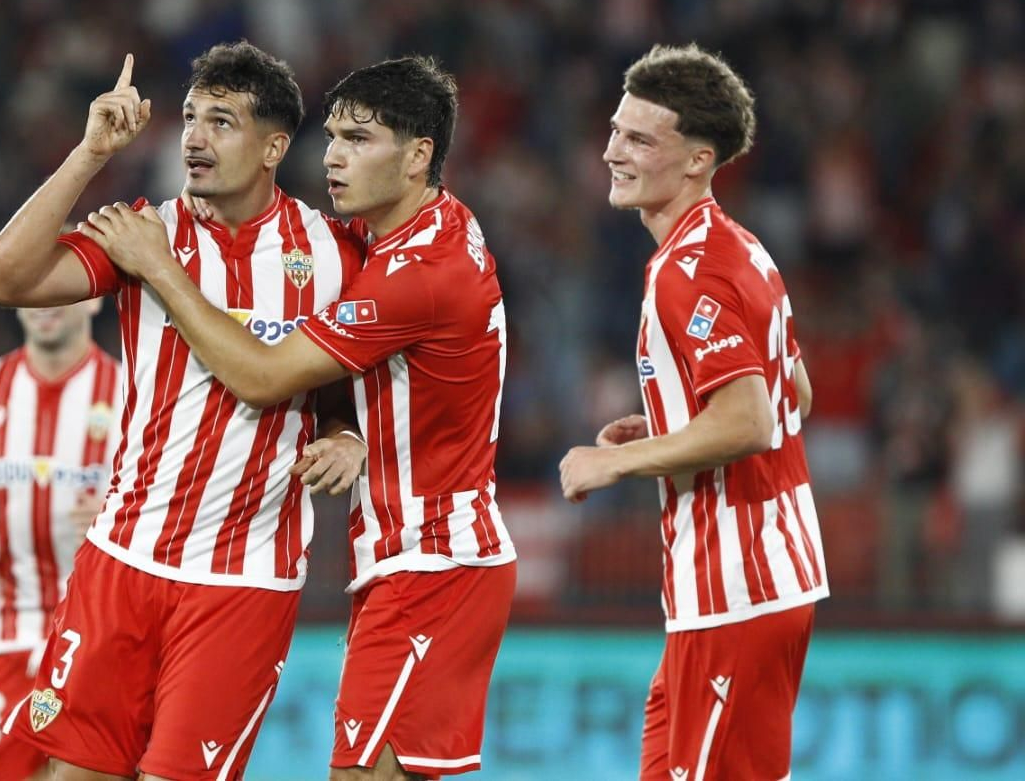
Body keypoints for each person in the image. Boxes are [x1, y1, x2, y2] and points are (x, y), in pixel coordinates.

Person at [81, 56, 517, 781]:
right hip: (417, 559)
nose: (334, 157)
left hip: (434, 561)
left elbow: (262, 377)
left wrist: (160, 268)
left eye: (359, 139)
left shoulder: (418, 274)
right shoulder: (423, 233)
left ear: (418, 158)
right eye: (334, 136)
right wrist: (344, 430)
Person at [0, 43, 366, 781]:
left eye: (221, 122)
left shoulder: (333, 251)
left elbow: (348, 385)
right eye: (189, 118)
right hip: (122, 556)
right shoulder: (145, 231)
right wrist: (90, 155)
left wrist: (349, 437)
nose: (193, 137)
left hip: (241, 583)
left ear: (274, 146)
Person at [558, 43, 829, 780]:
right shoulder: (738, 248)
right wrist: (674, 421)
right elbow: (793, 392)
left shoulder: (690, 272)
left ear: (696, 161)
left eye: (640, 139)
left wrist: (615, 460)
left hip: (737, 586)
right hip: (735, 589)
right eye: (616, 130)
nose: (613, 152)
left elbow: (749, 421)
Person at [0, 301, 119, 781]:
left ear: (94, 298)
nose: (44, 306)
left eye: (59, 291)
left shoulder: (131, 391)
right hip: (8, 627)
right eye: (32, 292)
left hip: (100, 632)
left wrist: (111, 517)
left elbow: (167, 501)